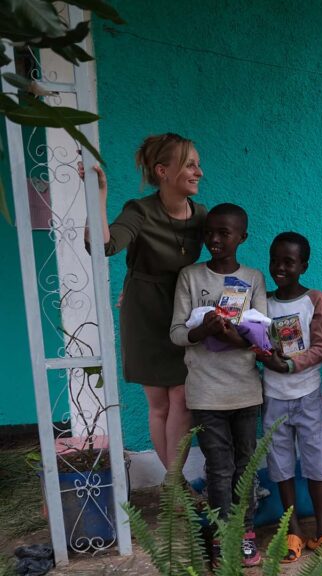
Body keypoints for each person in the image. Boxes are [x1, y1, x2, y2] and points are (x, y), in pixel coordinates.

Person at [86, 133, 205, 473]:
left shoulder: (201, 215)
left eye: (198, 165)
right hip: (144, 313)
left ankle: (172, 483)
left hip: (181, 312)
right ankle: (175, 486)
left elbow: (219, 259)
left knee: (182, 400)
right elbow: (104, 246)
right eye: (190, 165)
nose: (198, 172)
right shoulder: (139, 211)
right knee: (159, 406)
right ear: (163, 171)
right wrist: (98, 196)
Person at [168, 203, 265, 567]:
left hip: (245, 390)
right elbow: (177, 334)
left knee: (247, 466)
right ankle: (222, 537)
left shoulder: (253, 278)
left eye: (225, 233)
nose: (215, 239)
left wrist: (230, 333)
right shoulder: (190, 277)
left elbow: (262, 335)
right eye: (210, 232)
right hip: (206, 393)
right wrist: (203, 330)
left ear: (243, 237)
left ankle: (247, 533)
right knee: (219, 468)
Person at [258, 232, 322, 562]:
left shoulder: (314, 299)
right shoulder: (264, 302)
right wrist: (264, 354)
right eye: (275, 260)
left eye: (289, 262)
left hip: (308, 394)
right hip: (273, 395)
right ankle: (293, 530)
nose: (280, 267)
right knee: (280, 462)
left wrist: (288, 364)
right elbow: (255, 339)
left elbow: (321, 346)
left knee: (316, 460)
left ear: (303, 265)